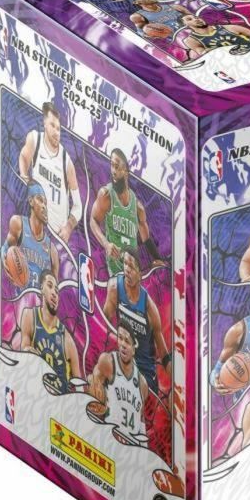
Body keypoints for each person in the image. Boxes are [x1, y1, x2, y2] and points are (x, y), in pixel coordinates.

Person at [103, 248, 170, 395]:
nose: (127, 269)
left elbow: (164, 354)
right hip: (124, 367)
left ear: (140, 273)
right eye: (125, 263)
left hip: (145, 374)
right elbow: (103, 325)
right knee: (102, 363)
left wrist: (178, 387)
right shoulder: (115, 288)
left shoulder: (150, 308)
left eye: (131, 266)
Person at [90, 147, 165, 276]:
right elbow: (93, 220)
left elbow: (146, 238)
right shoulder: (106, 195)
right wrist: (106, 244)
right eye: (112, 165)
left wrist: (157, 258)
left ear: (126, 171)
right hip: (114, 273)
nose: (113, 171)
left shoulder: (138, 207)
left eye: (117, 167)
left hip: (133, 273)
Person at [18, 101, 81, 241]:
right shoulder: (35, 139)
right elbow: (23, 157)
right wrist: (24, 177)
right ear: (45, 123)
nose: (56, 132)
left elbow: (78, 206)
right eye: (52, 125)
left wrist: (68, 227)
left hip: (57, 238)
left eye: (58, 128)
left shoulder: (66, 162)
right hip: (36, 229)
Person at [19, 270, 81, 393]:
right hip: (36, 395)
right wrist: (27, 351)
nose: (54, 293)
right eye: (50, 286)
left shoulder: (67, 339)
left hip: (60, 401)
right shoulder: (29, 316)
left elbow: (80, 386)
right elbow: (24, 348)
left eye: (57, 291)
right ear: (41, 288)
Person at [88, 320, 148, 441]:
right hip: (110, 439)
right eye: (120, 338)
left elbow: (141, 421)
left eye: (127, 341)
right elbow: (93, 391)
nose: (123, 344)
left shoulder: (142, 384)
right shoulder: (107, 362)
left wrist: (142, 449)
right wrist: (93, 383)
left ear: (134, 348)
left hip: (131, 446)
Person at [2, 181, 59, 289]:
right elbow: (5, 248)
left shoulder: (52, 251)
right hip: (19, 297)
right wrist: (3, 256)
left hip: (38, 299)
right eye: (40, 200)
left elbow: (55, 290)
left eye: (45, 203)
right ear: (31, 201)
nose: (44, 206)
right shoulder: (18, 224)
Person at [181, 13, 250, 58]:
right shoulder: (191, 40)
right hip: (233, 61)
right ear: (185, 25)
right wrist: (208, 52)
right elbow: (203, 53)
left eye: (196, 17)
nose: (196, 19)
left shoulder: (230, 27)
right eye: (189, 19)